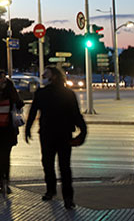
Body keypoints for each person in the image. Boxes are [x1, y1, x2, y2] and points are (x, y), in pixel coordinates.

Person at [25, 66, 87, 210]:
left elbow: (33, 112)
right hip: (63, 133)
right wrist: (83, 131)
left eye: (45, 75)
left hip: (48, 134)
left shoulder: (42, 93)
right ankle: (67, 198)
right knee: (64, 167)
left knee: (48, 163)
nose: (42, 77)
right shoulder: (68, 93)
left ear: (53, 76)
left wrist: (28, 130)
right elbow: (76, 114)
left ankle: (51, 191)